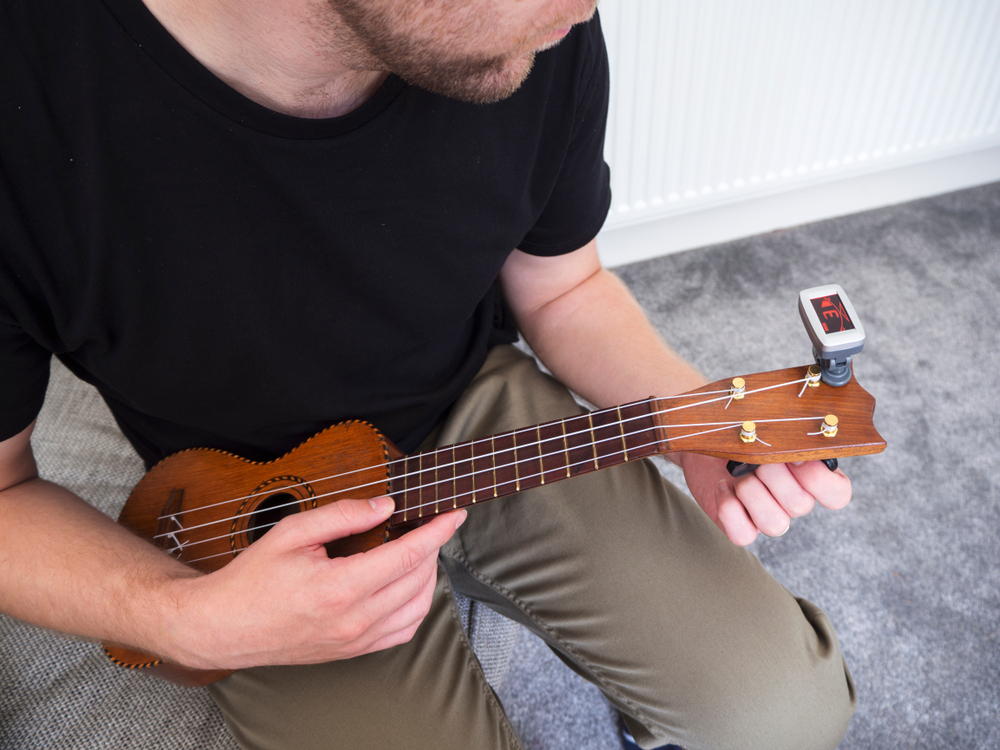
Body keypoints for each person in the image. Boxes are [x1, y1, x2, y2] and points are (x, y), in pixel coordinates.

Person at [0, 1, 857, 748]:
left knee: (788, 715)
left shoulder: (536, 35)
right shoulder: (30, 95)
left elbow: (564, 289)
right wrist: (182, 618)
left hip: (470, 406)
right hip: (250, 510)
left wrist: (690, 416)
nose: (591, 10)